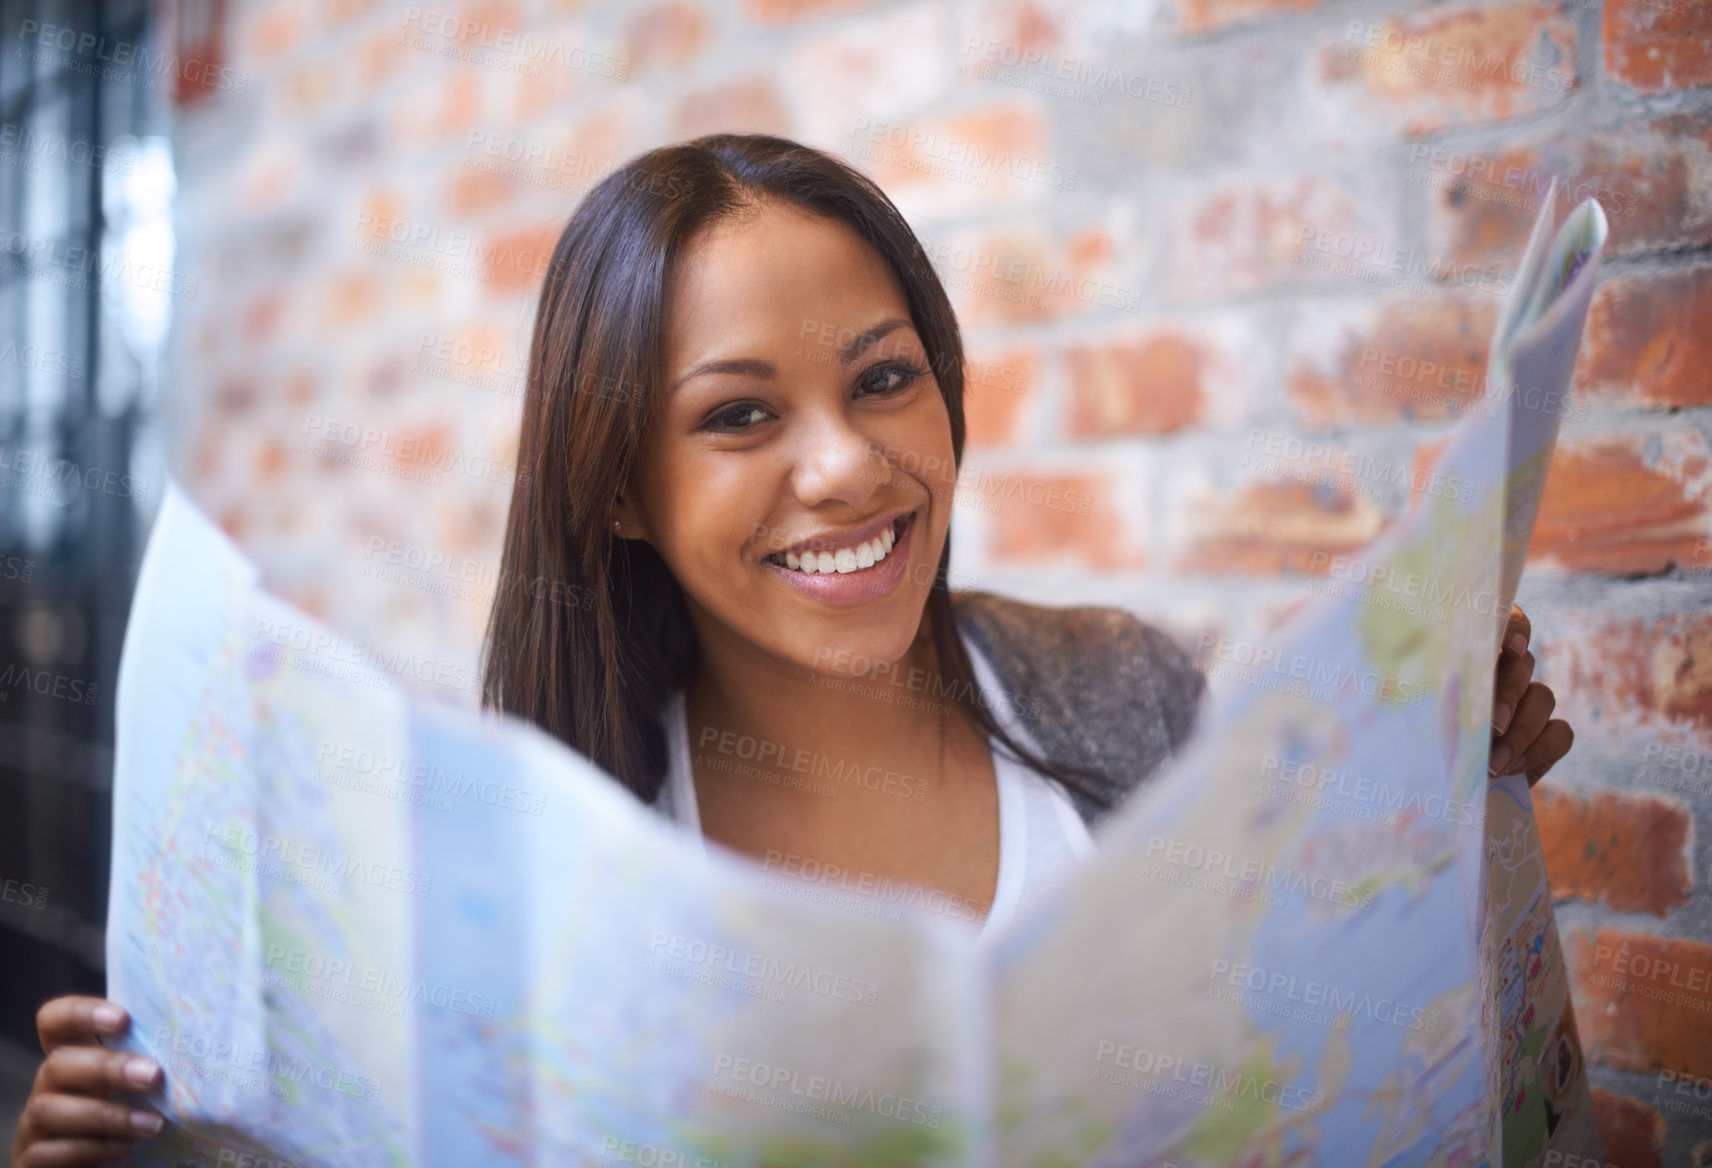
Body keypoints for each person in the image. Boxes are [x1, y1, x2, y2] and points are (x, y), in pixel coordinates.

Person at [12, 133, 1574, 1167]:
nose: (845, 468)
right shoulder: (515, 844)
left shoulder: (1135, 701)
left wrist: (1444, 813)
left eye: (885, 380)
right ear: (618, 487)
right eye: (740, 415)